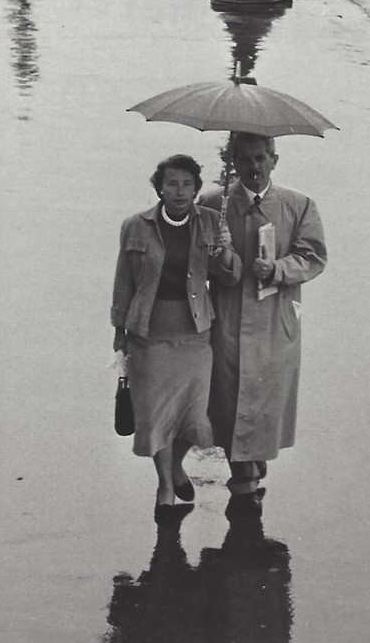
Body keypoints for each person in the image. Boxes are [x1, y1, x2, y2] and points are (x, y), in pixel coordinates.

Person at [203, 134, 327, 512]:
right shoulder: (213, 205)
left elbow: (312, 256)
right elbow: (200, 263)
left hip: (276, 320)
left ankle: (252, 469)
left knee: (264, 396)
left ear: (274, 159)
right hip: (228, 318)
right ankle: (244, 479)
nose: (253, 168)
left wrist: (278, 269)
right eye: (244, 160)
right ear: (233, 163)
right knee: (228, 395)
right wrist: (220, 253)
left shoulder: (298, 205)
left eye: (260, 158)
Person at [112, 155, 240, 516]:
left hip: (196, 334)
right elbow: (124, 280)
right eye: (172, 184)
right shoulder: (134, 226)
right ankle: (165, 486)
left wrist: (224, 251)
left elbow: (230, 277)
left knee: (192, 415)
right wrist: (118, 330)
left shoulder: (212, 223)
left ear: (197, 189)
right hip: (149, 335)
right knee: (158, 415)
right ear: (160, 187)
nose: (180, 192)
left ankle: (177, 466)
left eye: (187, 184)